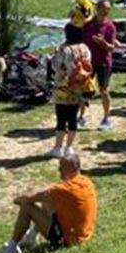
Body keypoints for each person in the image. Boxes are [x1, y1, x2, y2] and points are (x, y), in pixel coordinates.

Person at [0, 150, 98, 253]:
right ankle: (31, 237)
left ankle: (11, 248)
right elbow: (47, 196)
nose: (59, 170)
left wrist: (18, 200)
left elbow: (30, 197)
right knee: (48, 200)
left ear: (71, 167)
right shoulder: (86, 181)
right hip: (82, 234)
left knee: (27, 207)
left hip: (68, 240)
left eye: (62, 166)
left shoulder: (66, 189)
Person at [48, 23, 95, 158]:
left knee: (61, 118)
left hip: (63, 86)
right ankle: (69, 147)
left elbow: (56, 66)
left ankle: (58, 147)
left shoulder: (65, 49)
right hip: (79, 86)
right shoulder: (85, 48)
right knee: (73, 117)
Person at [82, 0, 118, 131]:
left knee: (103, 90)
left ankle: (106, 118)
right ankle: (82, 116)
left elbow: (112, 48)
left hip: (103, 62)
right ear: (97, 9)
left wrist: (103, 42)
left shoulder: (110, 26)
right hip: (88, 62)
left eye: (108, 9)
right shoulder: (88, 24)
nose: (106, 11)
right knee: (83, 89)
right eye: (103, 8)